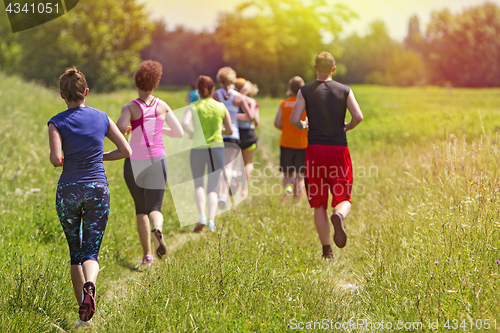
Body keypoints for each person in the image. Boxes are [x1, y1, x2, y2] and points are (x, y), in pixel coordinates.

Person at [48, 68, 132, 327]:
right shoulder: (102, 117)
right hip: (97, 188)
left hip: (69, 191)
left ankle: (83, 318)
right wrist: (99, 156)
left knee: (75, 253)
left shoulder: (56, 122)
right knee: (91, 251)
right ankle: (90, 285)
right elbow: (126, 150)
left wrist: (67, 158)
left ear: (62, 95)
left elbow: (55, 159)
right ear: (86, 92)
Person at [289, 52, 363, 259]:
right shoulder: (345, 90)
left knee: (319, 202)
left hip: (315, 151)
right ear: (333, 69)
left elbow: (295, 119)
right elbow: (358, 116)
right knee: (344, 197)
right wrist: (347, 127)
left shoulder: (305, 91)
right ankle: (339, 215)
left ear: (315, 68)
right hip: (339, 149)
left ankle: (326, 250)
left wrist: (304, 125)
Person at [116, 60, 184, 266]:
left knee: (140, 209)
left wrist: (129, 129)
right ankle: (158, 230)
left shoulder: (130, 107)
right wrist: (158, 127)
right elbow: (179, 132)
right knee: (155, 207)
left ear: (136, 84)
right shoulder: (162, 105)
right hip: (157, 160)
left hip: (134, 162)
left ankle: (147, 255)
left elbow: (119, 127)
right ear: (155, 85)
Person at [182, 75, 233, 232]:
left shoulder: (193, 106)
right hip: (216, 149)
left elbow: (184, 123)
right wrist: (220, 130)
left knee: (199, 185)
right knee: (213, 187)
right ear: (213, 90)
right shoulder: (221, 107)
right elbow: (230, 130)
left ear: (198, 91)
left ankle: (201, 216)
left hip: (197, 149)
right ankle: (211, 221)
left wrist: (191, 133)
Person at [212, 67, 254, 209]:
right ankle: (224, 194)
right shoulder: (239, 97)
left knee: (219, 166)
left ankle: (220, 193)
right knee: (229, 166)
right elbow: (250, 116)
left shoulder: (216, 95)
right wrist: (233, 116)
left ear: (220, 80)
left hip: (218, 134)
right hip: (233, 134)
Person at [274, 76, 308, 202]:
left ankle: (288, 189)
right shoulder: (306, 104)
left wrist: (288, 129)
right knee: (300, 177)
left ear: (290, 88)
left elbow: (277, 123)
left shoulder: (284, 103)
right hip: (302, 144)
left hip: (286, 142)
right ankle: (297, 202)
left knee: (288, 174)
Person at [235, 78, 260, 198]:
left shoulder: (232, 100)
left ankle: (235, 185)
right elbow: (256, 119)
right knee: (248, 163)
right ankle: (244, 190)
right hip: (248, 134)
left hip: (235, 133)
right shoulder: (251, 101)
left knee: (235, 162)